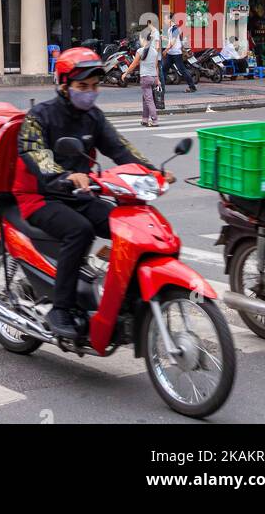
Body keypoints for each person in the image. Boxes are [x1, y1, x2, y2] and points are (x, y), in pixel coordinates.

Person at [15, 48, 170, 340]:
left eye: (94, 86)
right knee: (80, 231)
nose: (90, 93)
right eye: (82, 86)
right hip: (41, 196)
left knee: (126, 226)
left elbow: (120, 148)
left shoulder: (93, 117)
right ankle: (60, 308)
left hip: (81, 194)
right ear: (64, 85)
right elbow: (33, 152)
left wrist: (152, 172)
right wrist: (64, 175)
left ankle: (123, 298)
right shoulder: (40, 116)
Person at [123, 25, 163, 126]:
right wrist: (158, 80)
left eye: (140, 38)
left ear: (143, 39)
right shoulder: (154, 51)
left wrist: (126, 73)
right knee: (146, 98)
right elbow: (156, 67)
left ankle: (155, 120)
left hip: (145, 78)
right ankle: (145, 119)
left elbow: (134, 64)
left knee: (149, 99)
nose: (139, 40)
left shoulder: (140, 51)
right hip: (153, 77)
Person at [163, 18, 197, 93]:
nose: (164, 21)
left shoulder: (175, 28)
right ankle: (161, 87)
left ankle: (192, 87)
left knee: (182, 70)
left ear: (170, 19)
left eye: (165, 19)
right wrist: (163, 38)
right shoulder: (170, 29)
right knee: (164, 69)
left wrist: (166, 50)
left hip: (176, 53)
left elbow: (173, 41)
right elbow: (170, 40)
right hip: (171, 53)